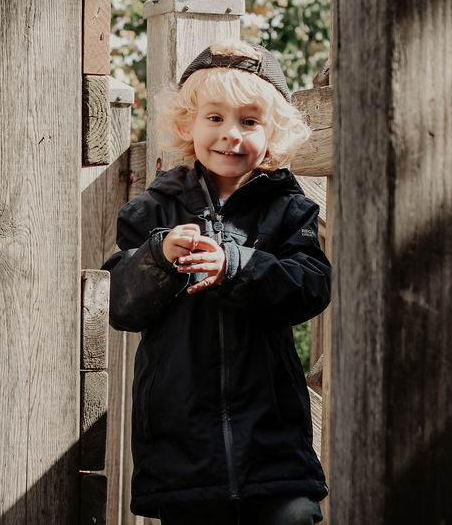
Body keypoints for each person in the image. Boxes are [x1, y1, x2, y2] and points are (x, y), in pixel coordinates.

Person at [104, 41, 330, 525]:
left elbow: (311, 286)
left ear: (273, 134)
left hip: (273, 445)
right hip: (182, 448)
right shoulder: (151, 212)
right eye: (215, 119)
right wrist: (158, 257)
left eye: (250, 121)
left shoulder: (289, 209)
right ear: (187, 124)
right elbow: (120, 304)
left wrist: (237, 265)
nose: (232, 134)